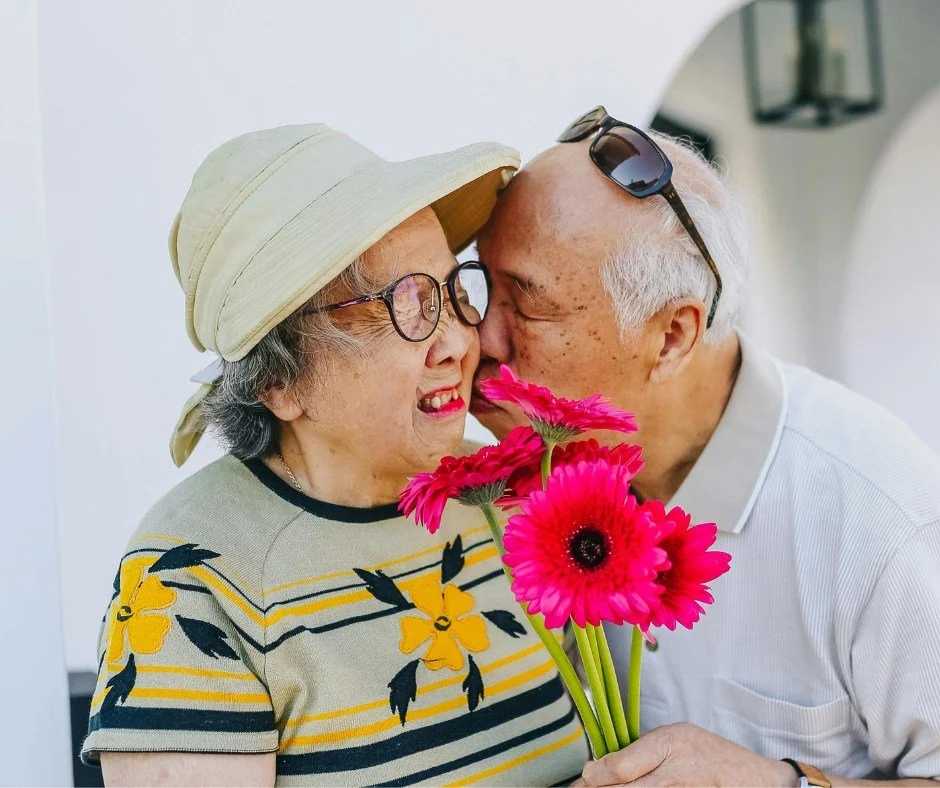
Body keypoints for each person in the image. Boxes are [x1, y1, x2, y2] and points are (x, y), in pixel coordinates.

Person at [81, 123, 589, 786]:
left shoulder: (507, 491)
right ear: (277, 380)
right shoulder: (188, 578)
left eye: (452, 291)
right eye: (403, 304)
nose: (456, 345)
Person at [471, 106, 940, 786]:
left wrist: (784, 783)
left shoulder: (878, 517)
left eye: (529, 304)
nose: (482, 337)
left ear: (671, 337)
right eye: (481, 285)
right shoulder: (524, 479)